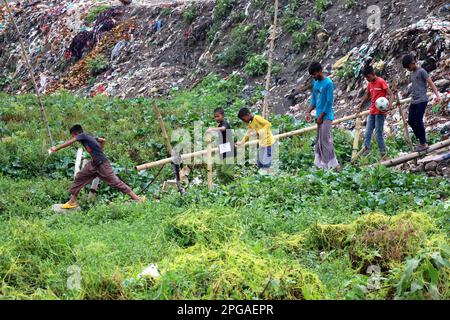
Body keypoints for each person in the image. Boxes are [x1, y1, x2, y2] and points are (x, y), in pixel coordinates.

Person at [49, 125, 143, 209]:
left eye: (73, 135)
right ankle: (72, 201)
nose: (74, 137)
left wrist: (56, 148)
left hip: (102, 164)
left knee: (115, 182)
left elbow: (70, 142)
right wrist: (99, 145)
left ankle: (137, 198)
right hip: (94, 163)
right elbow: (102, 142)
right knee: (80, 177)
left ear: (76, 133)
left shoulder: (83, 135)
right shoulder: (88, 138)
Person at [402, 54, 441, 151]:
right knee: (411, 121)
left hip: (422, 100)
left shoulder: (421, 71)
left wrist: (437, 95)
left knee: (418, 121)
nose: (408, 69)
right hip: (414, 100)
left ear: (412, 63)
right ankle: (421, 139)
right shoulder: (412, 73)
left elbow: (430, 82)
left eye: (408, 67)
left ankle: (423, 143)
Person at [305, 61, 340, 170]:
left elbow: (329, 102)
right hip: (319, 116)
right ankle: (328, 164)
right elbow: (314, 100)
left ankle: (328, 165)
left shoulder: (328, 83)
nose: (314, 77)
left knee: (326, 140)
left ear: (320, 71)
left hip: (326, 116)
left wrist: (321, 116)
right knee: (320, 140)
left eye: (315, 74)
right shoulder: (316, 84)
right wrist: (308, 112)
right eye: (312, 75)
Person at [357, 65, 394, 159]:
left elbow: (391, 94)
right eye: (366, 78)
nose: (367, 79)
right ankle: (366, 153)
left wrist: (389, 105)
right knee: (367, 133)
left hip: (380, 113)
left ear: (372, 74)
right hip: (372, 111)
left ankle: (384, 155)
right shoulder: (370, 84)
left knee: (378, 134)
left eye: (368, 77)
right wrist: (361, 105)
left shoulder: (381, 81)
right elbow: (367, 95)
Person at [236, 108, 276, 173]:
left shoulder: (257, 118)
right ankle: (262, 177)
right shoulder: (250, 123)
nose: (243, 121)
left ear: (247, 115)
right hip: (262, 144)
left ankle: (267, 177)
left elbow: (268, 124)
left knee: (266, 163)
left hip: (269, 143)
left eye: (243, 119)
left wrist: (258, 132)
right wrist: (241, 142)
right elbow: (248, 134)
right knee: (260, 163)